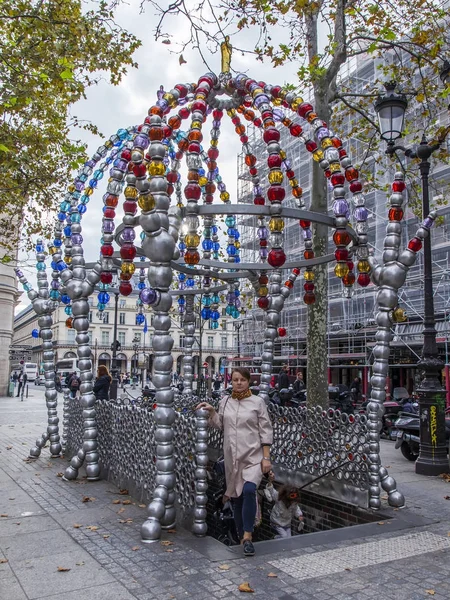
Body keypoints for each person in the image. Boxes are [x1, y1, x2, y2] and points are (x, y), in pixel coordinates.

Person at [197, 367, 273, 557]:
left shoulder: (257, 403)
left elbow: (266, 430)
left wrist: (266, 458)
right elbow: (219, 424)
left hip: (253, 456)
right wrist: (213, 411)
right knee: (236, 497)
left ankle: (247, 536)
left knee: (248, 490)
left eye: (242, 380)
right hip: (233, 457)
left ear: (249, 382)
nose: (238, 383)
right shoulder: (226, 401)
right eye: (235, 380)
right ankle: (241, 537)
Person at [264, 472, 304, 538]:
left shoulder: (294, 503)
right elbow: (271, 490)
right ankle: (276, 538)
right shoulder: (279, 498)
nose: (292, 502)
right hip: (277, 522)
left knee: (288, 538)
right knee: (284, 536)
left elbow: (296, 509)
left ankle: (280, 542)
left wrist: (299, 515)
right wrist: (270, 482)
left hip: (287, 523)